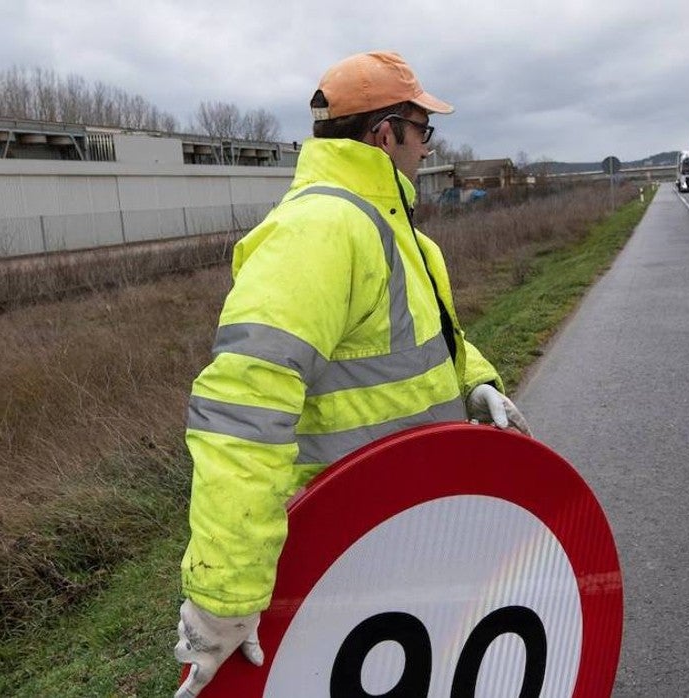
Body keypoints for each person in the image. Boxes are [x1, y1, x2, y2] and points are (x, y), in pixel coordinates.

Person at [173, 50, 530, 697]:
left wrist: (476, 384)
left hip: (420, 529)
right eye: (424, 131)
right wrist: (224, 594)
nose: (428, 148)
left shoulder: (406, 240)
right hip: (342, 554)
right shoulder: (318, 230)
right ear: (386, 133)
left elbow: (435, 343)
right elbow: (243, 410)